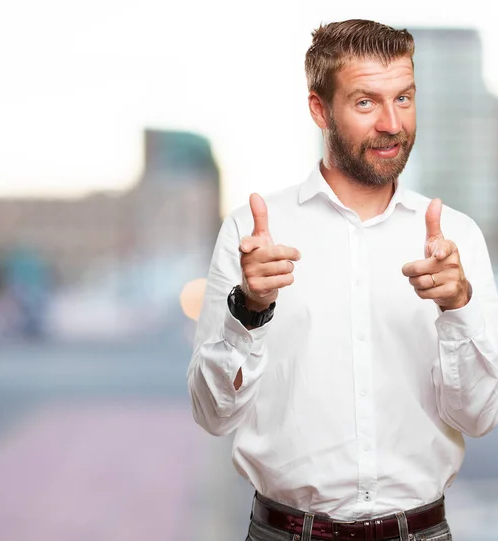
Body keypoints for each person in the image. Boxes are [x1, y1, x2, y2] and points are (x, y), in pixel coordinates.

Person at [187, 19, 498, 541]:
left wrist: (458, 308)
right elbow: (212, 414)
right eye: (365, 103)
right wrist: (249, 310)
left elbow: (479, 416)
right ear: (319, 109)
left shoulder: (457, 239)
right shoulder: (251, 233)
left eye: (403, 98)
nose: (391, 123)